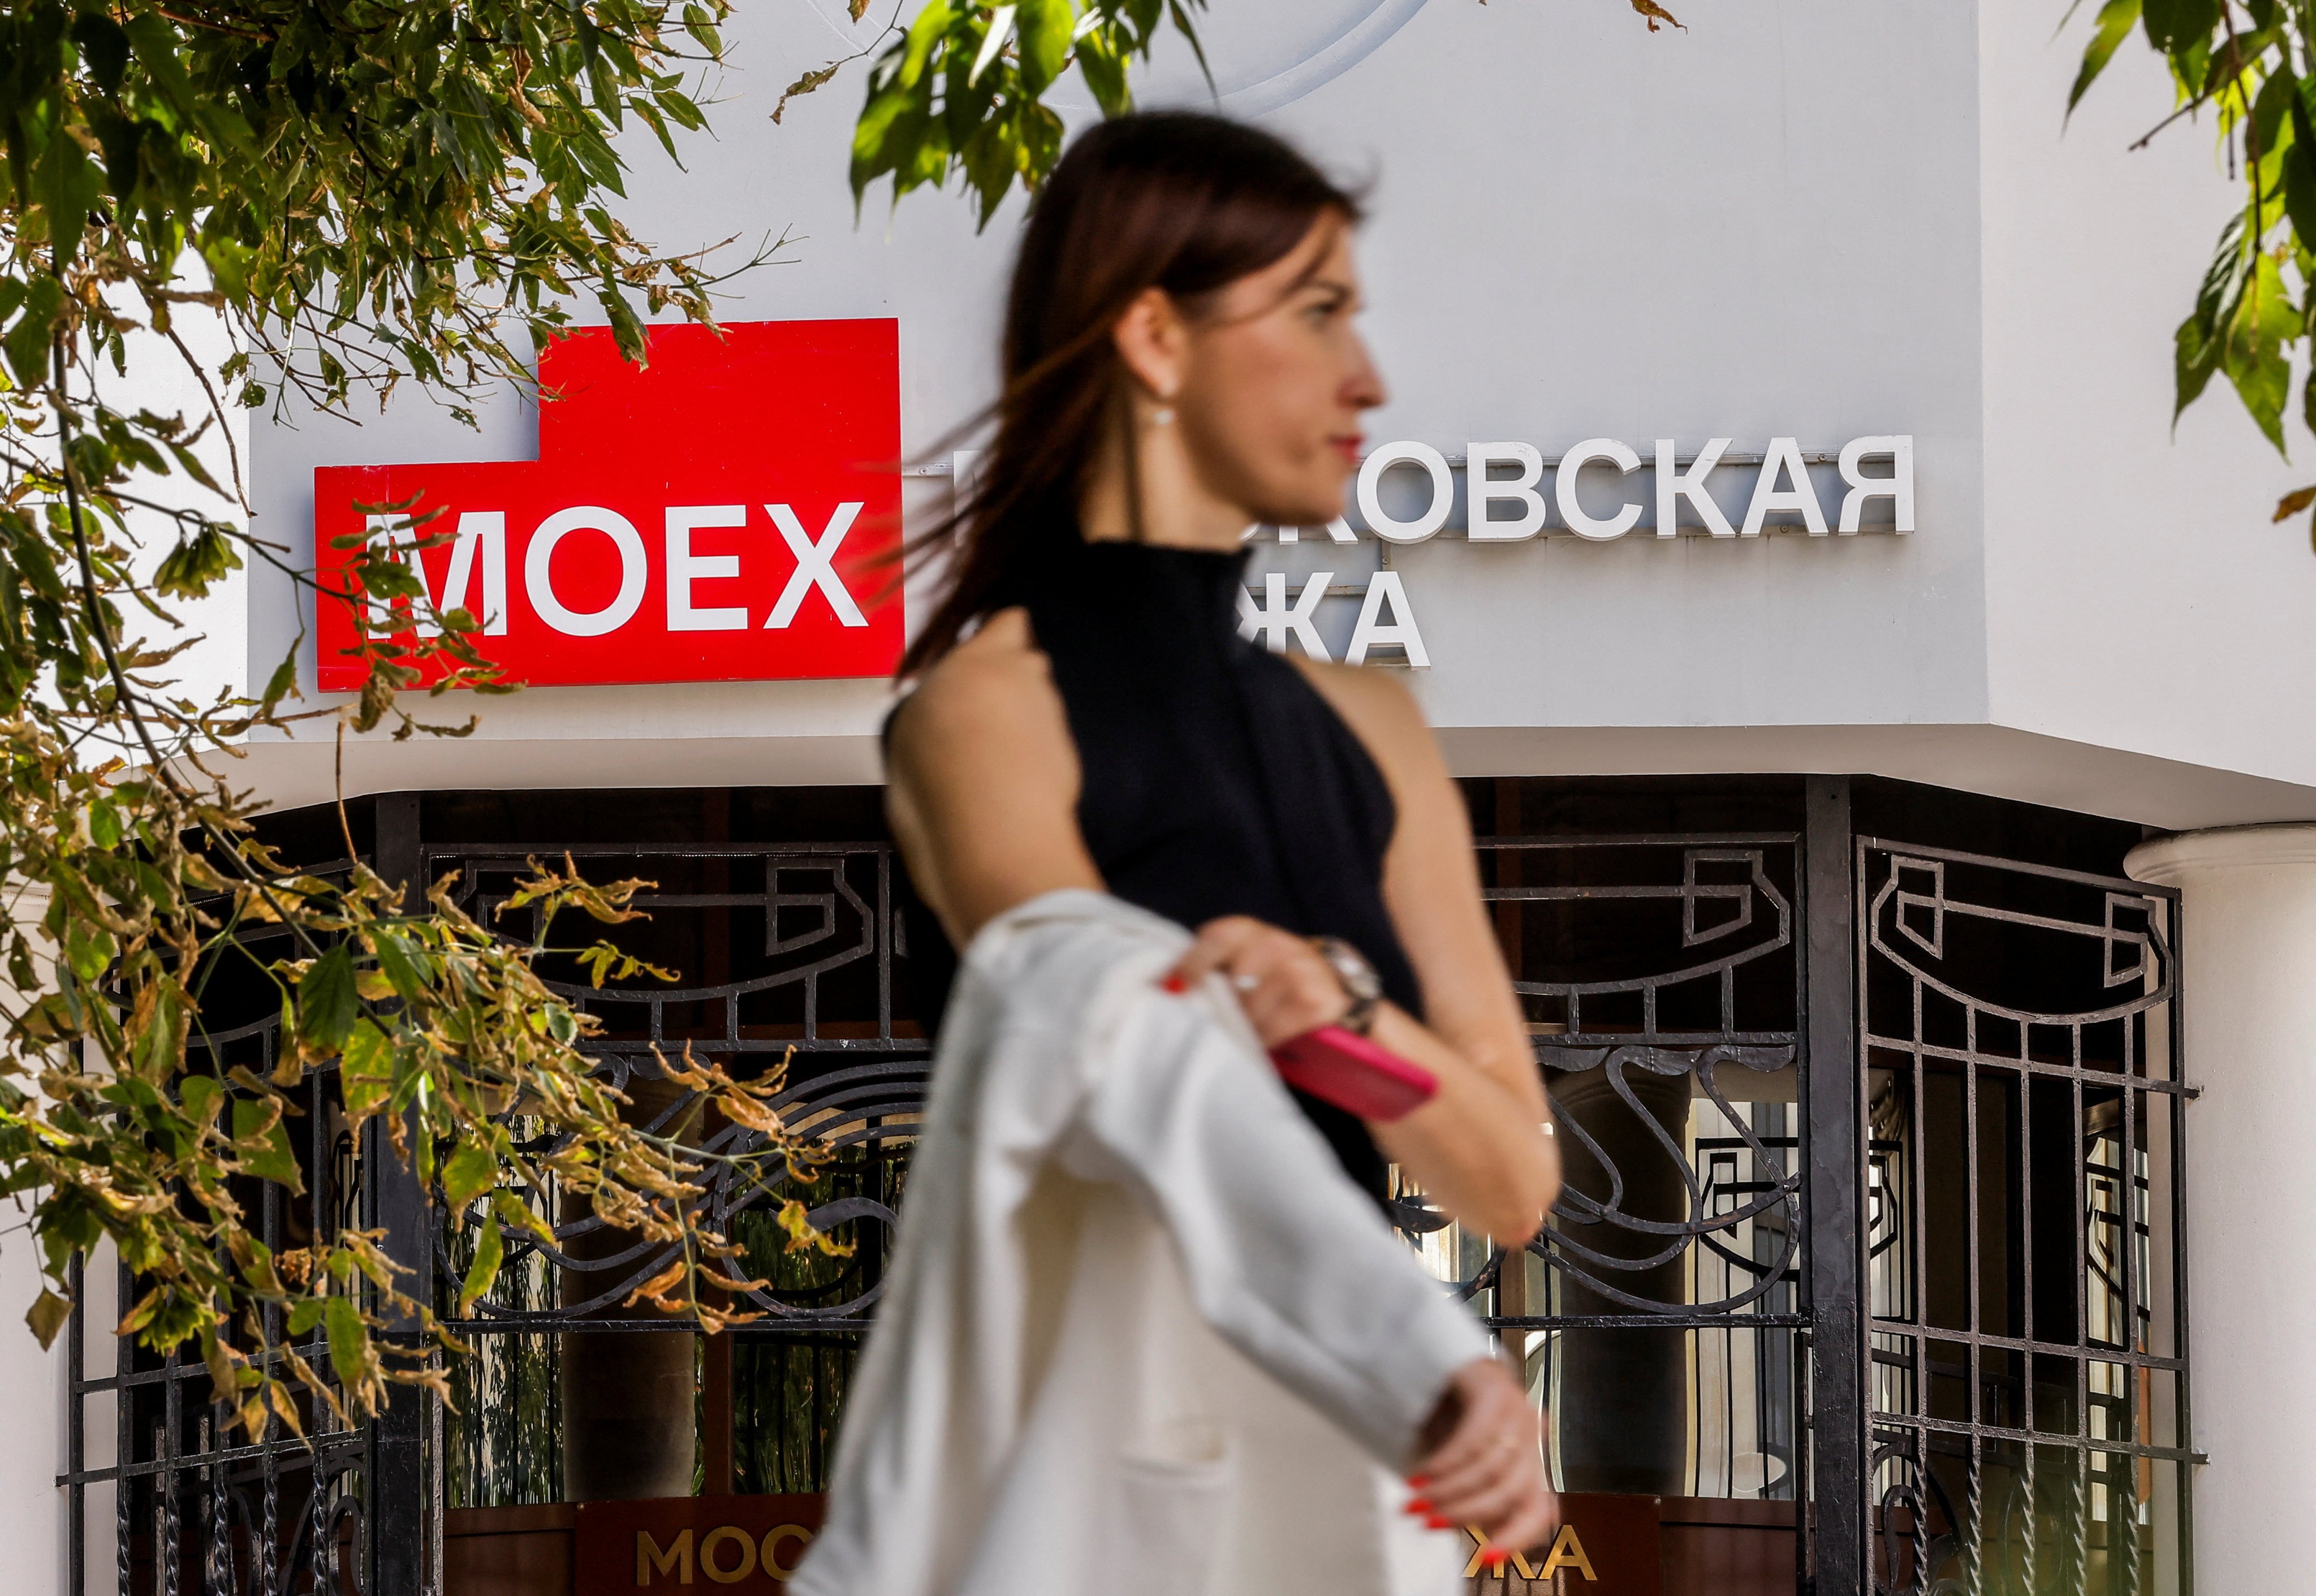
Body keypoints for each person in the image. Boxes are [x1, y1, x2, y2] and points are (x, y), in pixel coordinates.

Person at [823, 111, 1563, 1591]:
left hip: (1360, 1478)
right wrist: (1413, 1342)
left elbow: (1512, 1178)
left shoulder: (1373, 724)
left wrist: (1343, 1021)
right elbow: (1119, 1056)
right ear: (1155, 339)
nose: (1370, 379)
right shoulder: (985, 712)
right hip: (1103, 1469)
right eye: (1318, 311)